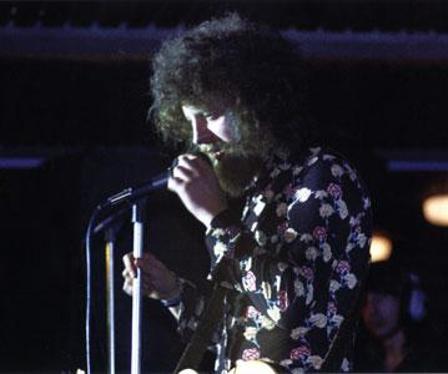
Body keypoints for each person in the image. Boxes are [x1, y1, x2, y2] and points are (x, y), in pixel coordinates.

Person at [122, 13, 372, 373]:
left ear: (254, 105)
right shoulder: (259, 191)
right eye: (190, 120)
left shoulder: (321, 174)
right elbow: (241, 332)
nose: (198, 137)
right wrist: (174, 292)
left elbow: (293, 308)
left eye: (208, 115)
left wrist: (216, 218)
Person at [355, 260, 442, 372]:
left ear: (409, 302)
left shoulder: (434, 360)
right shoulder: (360, 360)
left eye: (380, 298)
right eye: (365, 302)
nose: (371, 310)